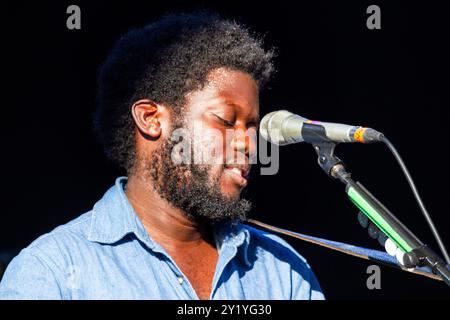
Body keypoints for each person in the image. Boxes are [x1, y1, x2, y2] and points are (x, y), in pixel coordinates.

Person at [0, 12, 324, 300]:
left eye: (252, 127)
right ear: (152, 119)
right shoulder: (52, 271)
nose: (249, 145)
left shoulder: (284, 271)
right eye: (226, 120)